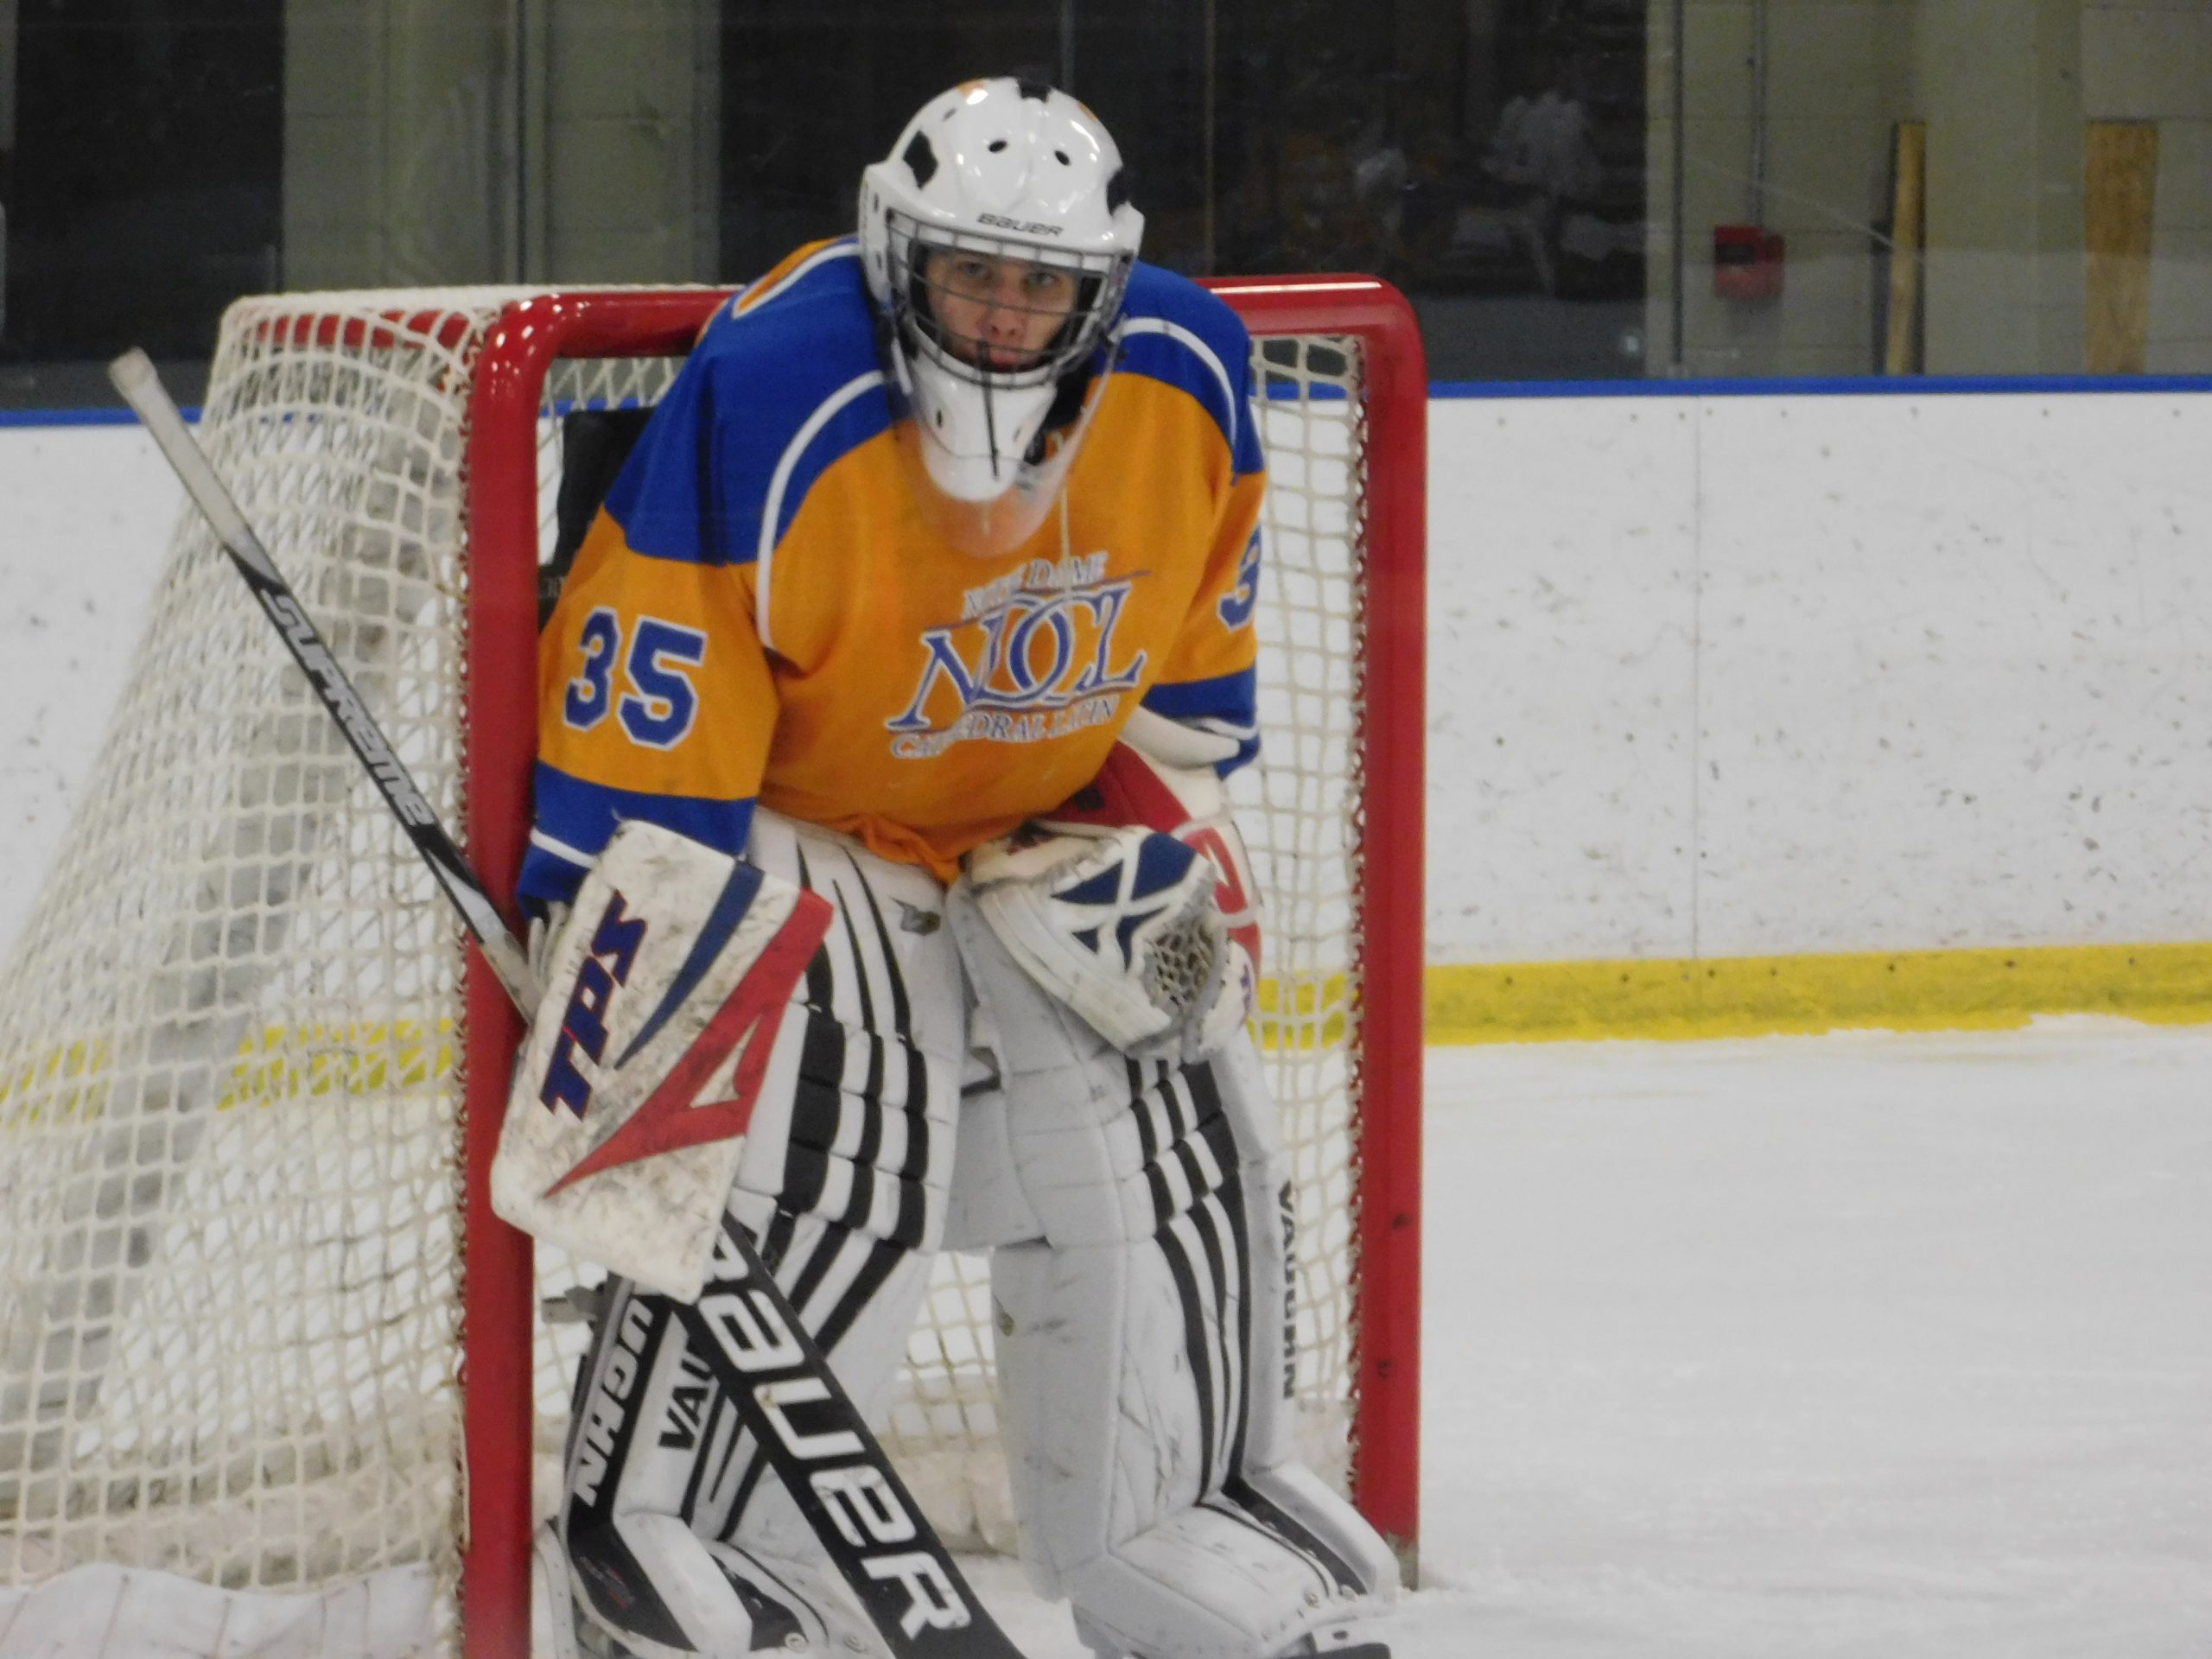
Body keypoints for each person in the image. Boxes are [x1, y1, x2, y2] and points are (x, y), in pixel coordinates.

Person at [520, 76, 1399, 1659]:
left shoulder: (1190, 370)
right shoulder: (777, 384)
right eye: (970, 273)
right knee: (840, 1110)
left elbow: (1181, 704)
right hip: (807, 817)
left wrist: (1169, 885)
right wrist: (626, 953)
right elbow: (653, 709)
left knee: (1169, 1099)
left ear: (1103, 288)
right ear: (894, 252)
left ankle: (1176, 1507)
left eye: (1040, 285)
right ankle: (682, 1530)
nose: (1002, 313)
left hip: (1032, 815)